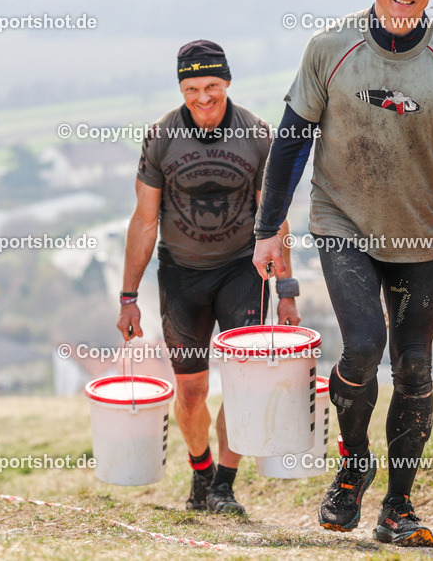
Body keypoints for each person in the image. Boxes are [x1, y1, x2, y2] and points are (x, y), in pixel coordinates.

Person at [252, 0, 433, 547]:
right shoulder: (330, 47)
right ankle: (351, 467)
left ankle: (397, 508)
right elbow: (291, 145)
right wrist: (268, 229)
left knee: (416, 371)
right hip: (342, 222)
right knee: (363, 346)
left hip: (419, 235)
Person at [118, 39, 301, 514]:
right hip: (180, 276)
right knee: (193, 388)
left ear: (227, 83)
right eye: (192, 88)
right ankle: (200, 473)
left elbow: (275, 217)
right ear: (181, 88)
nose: (203, 97)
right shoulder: (159, 137)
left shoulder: (257, 134)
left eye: (212, 86)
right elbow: (143, 220)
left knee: (242, 383)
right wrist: (127, 295)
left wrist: (285, 288)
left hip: (242, 270)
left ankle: (224, 483)